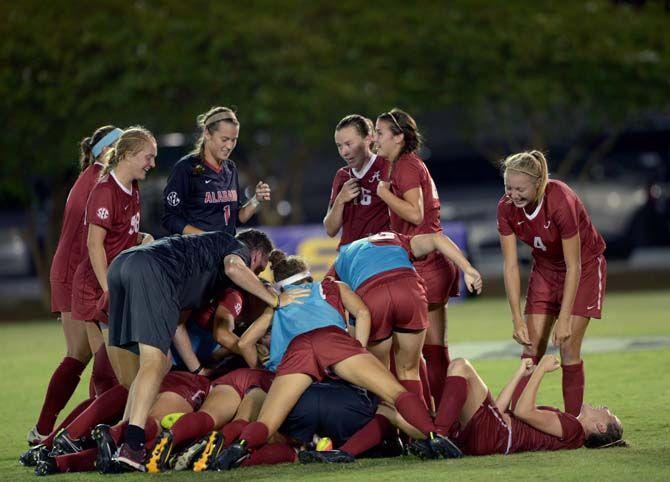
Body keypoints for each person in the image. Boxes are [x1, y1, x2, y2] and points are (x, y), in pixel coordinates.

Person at [209, 251, 452, 471]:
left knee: (268, 422)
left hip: (298, 362)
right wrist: (358, 349)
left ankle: (238, 448)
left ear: (280, 285)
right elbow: (364, 313)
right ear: (307, 276)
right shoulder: (330, 286)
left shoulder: (278, 303)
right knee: (393, 396)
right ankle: (433, 437)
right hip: (335, 352)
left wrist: (259, 366)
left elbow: (243, 343)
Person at [105, 229, 308, 471]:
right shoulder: (234, 248)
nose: (256, 276)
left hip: (121, 265)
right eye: (258, 269)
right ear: (254, 256)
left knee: (153, 364)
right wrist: (274, 300)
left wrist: (198, 368)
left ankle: (120, 436)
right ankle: (133, 446)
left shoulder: (201, 265)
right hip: (151, 269)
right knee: (154, 363)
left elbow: (177, 322)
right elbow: (234, 267)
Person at [28, 126, 123, 445]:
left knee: (85, 355)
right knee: (99, 357)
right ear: (109, 150)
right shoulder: (99, 182)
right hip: (77, 275)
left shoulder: (95, 177)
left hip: (75, 272)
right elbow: (93, 242)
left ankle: (51, 431)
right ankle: (68, 434)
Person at [497, 151, 607, 415]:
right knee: (531, 347)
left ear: (538, 183)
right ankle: (517, 425)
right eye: (508, 188)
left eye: (520, 188)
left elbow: (574, 265)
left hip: (585, 267)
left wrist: (565, 316)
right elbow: (510, 266)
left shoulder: (560, 199)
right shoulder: (506, 208)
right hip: (546, 269)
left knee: (568, 346)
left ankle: (574, 424)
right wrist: (516, 318)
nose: (513, 195)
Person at [332, 231, 482, 406]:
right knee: (409, 370)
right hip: (409, 291)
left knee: (380, 376)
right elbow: (436, 238)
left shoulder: (342, 257)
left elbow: (333, 298)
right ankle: (421, 430)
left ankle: (392, 430)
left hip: (373, 296)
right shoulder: (396, 239)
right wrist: (468, 269)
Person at [374, 108, 460, 405]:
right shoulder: (406, 163)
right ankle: (444, 415)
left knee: (407, 355)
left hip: (423, 265)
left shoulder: (405, 167)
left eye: (380, 132)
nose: (375, 138)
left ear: (398, 137)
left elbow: (415, 212)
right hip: (432, 262)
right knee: (434, 349)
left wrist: (383, 194)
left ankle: (424, 421)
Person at [409, 354, 624, 458]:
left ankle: (438, 437)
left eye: (610, 414)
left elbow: (522, 411)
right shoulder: (571, 430)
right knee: (401, 412)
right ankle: (424, 438)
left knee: (460, 366)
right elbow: (500, 409)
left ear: (601, 427)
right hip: (492, 432)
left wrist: (541, 369)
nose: (605, 407)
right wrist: (520, 372)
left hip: (495, 434)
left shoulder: (574, 429)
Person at [162, 106, 270, 236]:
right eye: (224, 139)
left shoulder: (230, 168)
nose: (229, 146)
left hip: (225, 249)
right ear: (207, 133)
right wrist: (206, 239)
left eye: (234, 140)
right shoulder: (186, 168)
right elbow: (170, 218)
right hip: (194, 251)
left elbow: (235, 219)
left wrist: (256, 200)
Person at [324, 114, 390, 248]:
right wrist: (340, 199)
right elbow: (330, 230)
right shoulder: (342, 175)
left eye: (349, 144)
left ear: (368, 138)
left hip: (380, 251)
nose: (344, 152)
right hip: (348, 253)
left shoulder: (387, 167)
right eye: (339, 146)